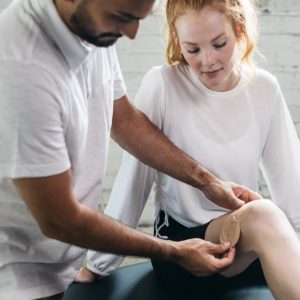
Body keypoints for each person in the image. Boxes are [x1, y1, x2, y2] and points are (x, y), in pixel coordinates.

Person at [0, 0, 264, 299]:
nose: (132, 32)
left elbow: (123, 120)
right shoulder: (20, 65)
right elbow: (59, 219)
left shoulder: (94, 28)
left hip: (59, 257)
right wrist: (174, 252)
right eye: (122, 17)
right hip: (18, 272)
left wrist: (208, 181)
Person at [78, 0, 300, 299]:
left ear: (239, 29)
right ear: (177, 42)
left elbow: (291, 185)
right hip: (184, 251)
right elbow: (133, 180)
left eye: (219, 44)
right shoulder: (163, 84)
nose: (207, 60)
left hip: (245, 248)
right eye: (193, 49)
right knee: (264, 213)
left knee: (266, 217)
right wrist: (98, 265)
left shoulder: (265, 89)